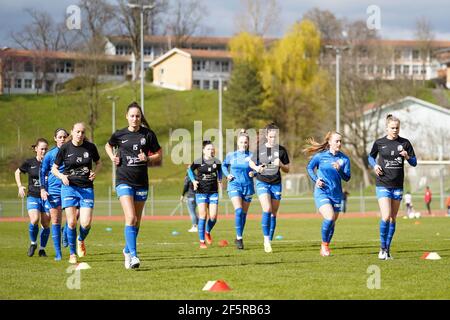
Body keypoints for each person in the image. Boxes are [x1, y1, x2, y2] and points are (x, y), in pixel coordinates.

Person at [106, 102, 162, 269]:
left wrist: (148, 159)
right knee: (130, 218)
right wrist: (112, 157)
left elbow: (159, 154)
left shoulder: (148, 135)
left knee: (136, 222)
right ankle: (134, 256)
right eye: (132, 116)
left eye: (138, 116)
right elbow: (108, 145)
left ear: (140, 117)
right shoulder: (119, 135)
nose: (135, 119)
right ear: (127, 117)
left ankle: (126, 250)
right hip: (123, 180)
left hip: (141, 182)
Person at [368, 114, 417, 260]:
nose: (395, 130)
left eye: (397, 128)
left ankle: (387, 249)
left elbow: (414, 163)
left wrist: (407, 157)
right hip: (383, 183)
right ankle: (382, 248)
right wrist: (375, 165)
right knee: (386, 216)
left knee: (393, 218)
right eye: (392, 128)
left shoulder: (405, 143)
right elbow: (370, 157)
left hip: (397, 185)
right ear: (387, 128)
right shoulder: (379, 143)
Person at [52, 123, 102, 264]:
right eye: (77, 131)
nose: (80, 134)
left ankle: (80, 240)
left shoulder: (90, 147)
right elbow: (54, 169)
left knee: (85, 224)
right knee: (72, 222)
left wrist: (95, 173)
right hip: (69, 188)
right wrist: (62, 176)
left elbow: (99, 163)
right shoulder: (65, 148)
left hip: (86, 188)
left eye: (82, 132)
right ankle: (72, 254)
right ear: (72, 133)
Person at [304, 131, 351, 257]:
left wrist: (339, 169)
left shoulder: (344, 159)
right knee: (329, 217)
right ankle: (324, 245)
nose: (339, 143)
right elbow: (309, 168)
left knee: (332, 222)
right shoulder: (320, 156)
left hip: (336, 194)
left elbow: (347, 178)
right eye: (336, 141)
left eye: (340, 141)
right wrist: (316, 180)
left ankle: (326, 245)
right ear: (329, 142)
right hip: (322, 192)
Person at [249, 123, 290, 253]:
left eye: (275, 136)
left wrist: (281, 165)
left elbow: (288, 169)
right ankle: (266, 240)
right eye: (271, 136)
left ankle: (270, 239)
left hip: (276, 183)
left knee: (273, 213)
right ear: (267, 136)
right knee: (267, 209)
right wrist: (256, 168)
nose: (273, 139)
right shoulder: (260, 149)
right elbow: (251, 162)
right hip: (262, 182)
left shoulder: (282, 150)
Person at [15, 138, 49, 257]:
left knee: (45, 223)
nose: (44, 151)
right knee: (34, 219)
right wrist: (20, 186)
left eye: (45, 149)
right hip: (33, 196)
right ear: (36, 149)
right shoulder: (29, 162)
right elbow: (17, 172)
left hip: (47, 198)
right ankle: (33, 243)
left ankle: (42, 249)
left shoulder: (50, 163)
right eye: (41, 149)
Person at [222, 130, 255, 250]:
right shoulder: (231, 155)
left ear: (248, 143)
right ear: (238, 142)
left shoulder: (252, 155)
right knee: (239, 211)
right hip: (234, 185)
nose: (243, 144)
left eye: (245, 142)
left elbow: (258, 168)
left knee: (244, 215)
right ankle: (240, 238)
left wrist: (254, 173)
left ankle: (238, 236)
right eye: (241, 142)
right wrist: (227, 175)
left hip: (248, 186)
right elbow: (224, 165)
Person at [40, 128, 69, 261]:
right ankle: (58, 253)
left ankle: (66, 231)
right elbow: (43, 172)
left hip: (70, 188)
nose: (62, 139)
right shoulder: (50, 154)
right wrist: (42, 189)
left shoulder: (72, 150)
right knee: (56, 220)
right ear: (55, 138)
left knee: (77, 216)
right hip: (54, 191)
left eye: (64, 137)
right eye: (60, 137)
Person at [187, 140, 222, 249]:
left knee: (213, 217)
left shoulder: (217, 161)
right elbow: (189, 170)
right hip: (201, 191)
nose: (211, 151)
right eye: (208, 149)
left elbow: (220, 171)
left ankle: (207, 231)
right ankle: (202, 242)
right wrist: (193, 181)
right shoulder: (198, 161)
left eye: (212, 149)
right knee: (203, 215)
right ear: (203, 151)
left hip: (213, 192)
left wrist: (220, 180)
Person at [181, 168, 198, 233]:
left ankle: (194, 226)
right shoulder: (197, 177)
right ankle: (199, 226)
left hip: (190, 196)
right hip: (197, 196)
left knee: (192, 213)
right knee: (195, 212)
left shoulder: (188, 177)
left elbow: (185, 187)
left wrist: (182, 196)